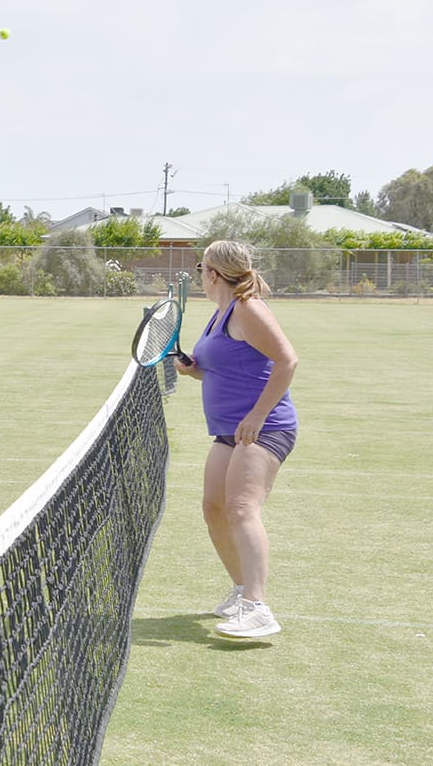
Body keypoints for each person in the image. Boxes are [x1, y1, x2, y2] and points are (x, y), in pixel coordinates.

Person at [174, 239, 299, 638]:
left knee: (242, 507)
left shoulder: (248, 308)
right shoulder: (219, 314)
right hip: (229, 430)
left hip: (264, 428)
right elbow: (230, 366)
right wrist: (194, 370)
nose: (200, 276)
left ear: (212, 273)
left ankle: (257, 608)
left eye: (200, 269)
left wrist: (258, 415)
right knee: (214, 508)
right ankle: (242, 589)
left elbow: (287, 360)